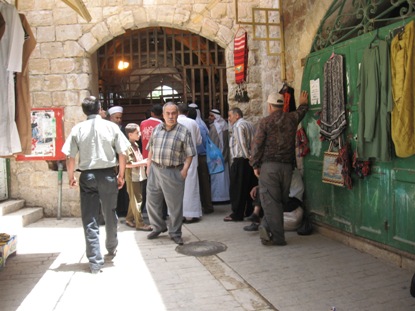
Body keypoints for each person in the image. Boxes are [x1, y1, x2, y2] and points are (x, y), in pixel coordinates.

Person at [61, 96, 130, 274]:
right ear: (100, 108)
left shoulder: (78, 129)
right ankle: (111, 246)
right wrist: (121, 175)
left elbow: (69, 156)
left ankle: (94, 261)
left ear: (84, 111)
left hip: (87, 176)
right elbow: (122, 153)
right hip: (108, 175)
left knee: (89, 218)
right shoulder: (112, 126)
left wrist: (71, 176)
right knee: (110, 212)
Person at [250, 91, 309, 246]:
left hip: (269, 167)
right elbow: (301, 112)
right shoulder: (291, 119)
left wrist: (255, 165)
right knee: (279, 201)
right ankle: (266, 227)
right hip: (287, 168)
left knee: (270, 201)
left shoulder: (265, 122)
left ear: (270, 106)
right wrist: (303, 103)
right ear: (282, 106)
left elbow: (256, 146)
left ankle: (277, 237)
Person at [146, 102, 196, 245]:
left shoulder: (183, 131)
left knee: (174, 205)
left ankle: (175, 232)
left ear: (177, 114)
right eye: (167, 113)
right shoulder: (157, 129)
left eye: (173, 113)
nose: (171, 116)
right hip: (155, 169)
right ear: (163, 115)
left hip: (173, 171)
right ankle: (158, 226)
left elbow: (190, 153)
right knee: (152, 200)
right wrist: (149, 167)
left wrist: (185, 170)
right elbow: (151, 149)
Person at [244, 167, 305, 232]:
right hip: (287, 198)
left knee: (264, 193)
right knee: (262, 192)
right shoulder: (283, 168)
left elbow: (274, 186)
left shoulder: (286, 170)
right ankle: (255, 216)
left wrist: (259, 186)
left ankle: (257, 219)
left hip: (293, 201)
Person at [224, 107, 257, 222]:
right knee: (248, 186)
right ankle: (249, 211)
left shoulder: (238, 126)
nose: (229, 119)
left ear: (237, 115)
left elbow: (242, 143)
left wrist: (247, 156)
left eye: (230, 116)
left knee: (237, 188)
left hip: (241, 160)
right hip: (250, 160)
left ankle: (237, 214)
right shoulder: (250, 124)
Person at [124, 123, 152, 231]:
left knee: (135, 198)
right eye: (137, 132)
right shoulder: (127, 146)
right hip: (132, 176)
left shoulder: (135, 144)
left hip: (138, 175)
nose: (140, 134)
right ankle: (139, 223)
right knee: (137, 200)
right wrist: (143, 163)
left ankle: (129, 218)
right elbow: (127, 164)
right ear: (130, 135)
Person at [178, 103, 203, 223]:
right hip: (191, 158)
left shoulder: (172, 122)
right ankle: (191, 214)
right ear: (187, 112)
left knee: (177, 187)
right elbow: (198, 141)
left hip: (177, 159)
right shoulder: (193, 123)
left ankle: (179, 214)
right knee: (191, 186)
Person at [189, 103, 214, 214]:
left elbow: (200, 143)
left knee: (202, 183)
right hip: (201, 156)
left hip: (200, 157)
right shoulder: (200, 124)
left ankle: (206, 206)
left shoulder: (196, 125)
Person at [140, 103, 165, 216]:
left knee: (146, 185)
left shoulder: (143, 123)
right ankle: (161, 212)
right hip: (158, 159)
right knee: (160, 187)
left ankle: (145, 209)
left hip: (145, 157)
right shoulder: (161, 124)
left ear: (151, 113)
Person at [108, 105, 129, 217]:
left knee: (123, 188)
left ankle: (123, 209)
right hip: (111, 163)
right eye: (116, 118)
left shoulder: (123, 129)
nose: (119, 120)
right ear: (110, 118)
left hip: (122, 163)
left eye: (120, 118)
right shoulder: (106, 129)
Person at [208, 109, 230, 203]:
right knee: (224, 178)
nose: (209, 117)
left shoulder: (214, 128)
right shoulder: (225, 125)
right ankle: (226, 197)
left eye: (211, 116)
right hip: (224, 154)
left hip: (216, 156)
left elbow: (213, 143)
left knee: (217, 178)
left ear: (216, 117)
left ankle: (217, 198)